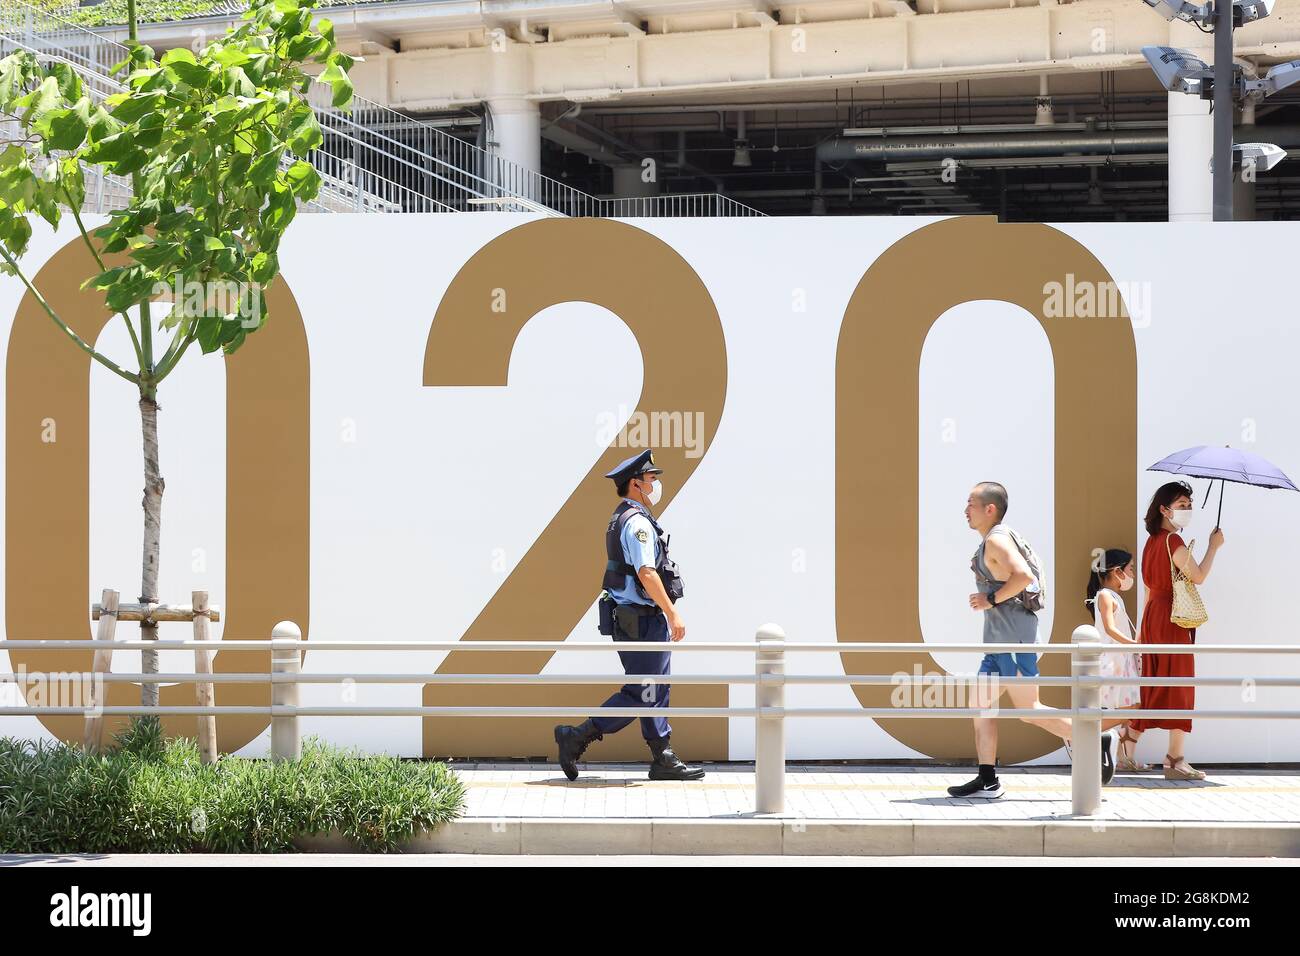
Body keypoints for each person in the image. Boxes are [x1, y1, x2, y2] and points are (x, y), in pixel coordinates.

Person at [947, 481, 1114, 799]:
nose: (965, 510)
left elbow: (1024, 576)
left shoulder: (996, 541)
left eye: (971, 503)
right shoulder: (999, 538)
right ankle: (988, 780)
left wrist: (991, 599)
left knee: (1028, 709)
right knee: (981, 704)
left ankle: (1091, 737)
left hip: (1014, 643)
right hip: (1002, 643)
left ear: (989, 509)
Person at [553, 449, 704, 782]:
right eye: (651, 479)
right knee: (640, 691)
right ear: (635, 484)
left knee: (654, 687)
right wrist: (673, 613)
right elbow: (647, 573)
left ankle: (662, 756)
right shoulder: (638, 524)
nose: (655, 484)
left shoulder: (622, 516)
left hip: (637, 617)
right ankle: (576, 736)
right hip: (641, 619)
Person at [1124, 481, 1224, 781]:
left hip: (1154, 617)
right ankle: (1175, 759)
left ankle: (1127, 749)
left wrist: (1142, 628)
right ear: (1164, 509)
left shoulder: (1152, 541)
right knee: (1179, 685)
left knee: (1153, 682)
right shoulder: (1173, 543)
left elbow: (1147, 588)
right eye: (1182, 505)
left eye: (1189, 504)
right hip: (1173, 619)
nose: (1187, 510)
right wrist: (1213, 547)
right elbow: (1199, 576)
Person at [1086, 548, 1147, 772]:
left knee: (1127, 708)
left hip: (1122, 659)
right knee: (1128, 708)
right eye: (1129, 569)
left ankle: (1120, 757)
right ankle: (1080, 733)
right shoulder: (1104, 595)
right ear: (1117, 571)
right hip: (1113, 660)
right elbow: (1110, 629)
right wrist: (1134, 645)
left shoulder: (1114, 596)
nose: (1131, 573)